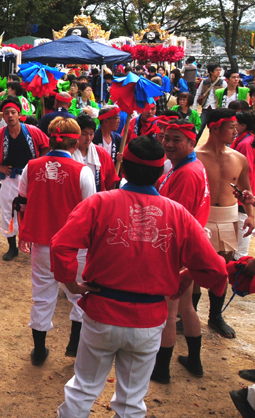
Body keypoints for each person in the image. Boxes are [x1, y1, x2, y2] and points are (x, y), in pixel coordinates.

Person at [51, 136, 228, 418]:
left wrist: (72, 283)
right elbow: (216, 269)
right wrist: (187, 276)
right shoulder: (178, 214)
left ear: (123, 169)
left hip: (102, 312)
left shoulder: (99, 203)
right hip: (148, 320)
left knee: (83, 389)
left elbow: (61, 245)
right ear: (160, 174)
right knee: (132, 401)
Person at [16, 117, 95, 365]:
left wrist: (23, 233)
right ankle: (74, 345)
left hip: (41, 243)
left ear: (50, 140)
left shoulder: (31, 166)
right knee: (79, 295)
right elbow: (89, 214)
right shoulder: (83, 171)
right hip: (74, 246)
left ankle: (39, 350)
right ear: (75, 143)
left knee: (42, 296)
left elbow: (21, 203)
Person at [148, 119, 211, 384]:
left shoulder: (186, 173)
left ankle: (161, 370)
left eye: (176, 139)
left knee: (169, 312)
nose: (168, 143)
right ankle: (194, 361)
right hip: (190, 247)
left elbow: (174, 220)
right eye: (166, 137)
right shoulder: (188, 166)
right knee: (186, 308)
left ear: (191, 142)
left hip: (177, 252)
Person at [195, 108, 255, 339]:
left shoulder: (239, 158)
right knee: (194, 267)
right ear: (214, 128)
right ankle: (188, 313)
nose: (236, 131)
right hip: (202, 216)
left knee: (222, 269)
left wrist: (250, 214)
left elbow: (245, 190)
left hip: (228, 217)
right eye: (231, 127)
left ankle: (215, 315)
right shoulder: (195, 156)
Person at [0, 97, 49, 261]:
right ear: (3, 116)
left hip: (31, 177)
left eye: (13, 112)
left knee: (33, 210)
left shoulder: (32, 131)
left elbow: (46, 146)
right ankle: (12, 246)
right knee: (9, 211)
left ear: (19, 114)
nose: (10, 116)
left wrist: (38, 163)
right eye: (7, 113)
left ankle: (33, 245)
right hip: (10, 178)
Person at [74, 113, 119, 192]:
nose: (88, 138)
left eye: (91, 134)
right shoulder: (68, 152)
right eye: (84, 134)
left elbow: (111, 181)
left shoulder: (102, 153)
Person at [234, 111, 255, 259]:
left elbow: (246, 171)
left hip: (245, 189)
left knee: (242, 220)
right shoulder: (247, 139)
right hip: (247, 187)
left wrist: (244, 190)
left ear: (243, 125)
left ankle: (241, 255)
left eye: (235, 125)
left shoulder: (245, 143)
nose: (234, 128)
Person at [195, 63, 226, 141]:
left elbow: (225, 96)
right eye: (216, 70)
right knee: (199, 128)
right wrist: (195, 106)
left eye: (219, 70)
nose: (218, 72)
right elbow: (198, 93)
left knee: (215, 130)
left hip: (217, 109)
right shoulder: (204, 82)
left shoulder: (222, 83)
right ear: (211, 72)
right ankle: (193, 145)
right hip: (206, 108)